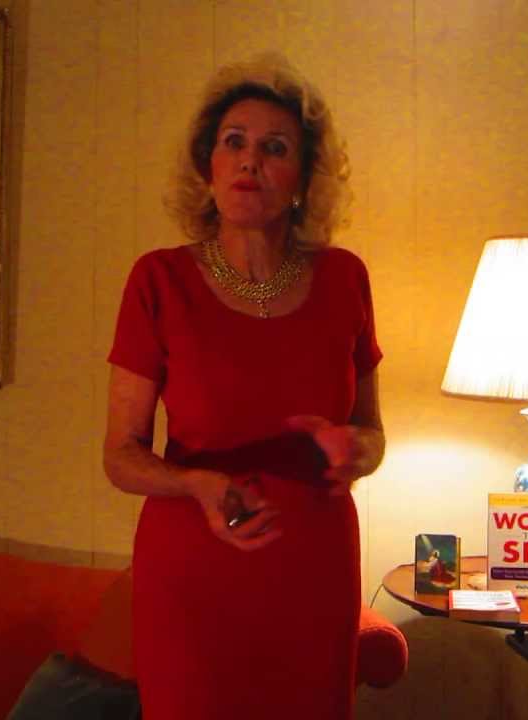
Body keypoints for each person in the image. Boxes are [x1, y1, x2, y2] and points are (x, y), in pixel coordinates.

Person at [103, 53, 385, 720]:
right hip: (194, 566)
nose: (249, 160)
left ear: (303, 179)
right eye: (234, 142)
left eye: (275, 147)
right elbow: (120, 455)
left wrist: (355, 450)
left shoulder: (345, 278)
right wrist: (195, 485)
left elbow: (372, 435)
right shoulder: (159, 280)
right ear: (208, 166)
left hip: (314, 565)